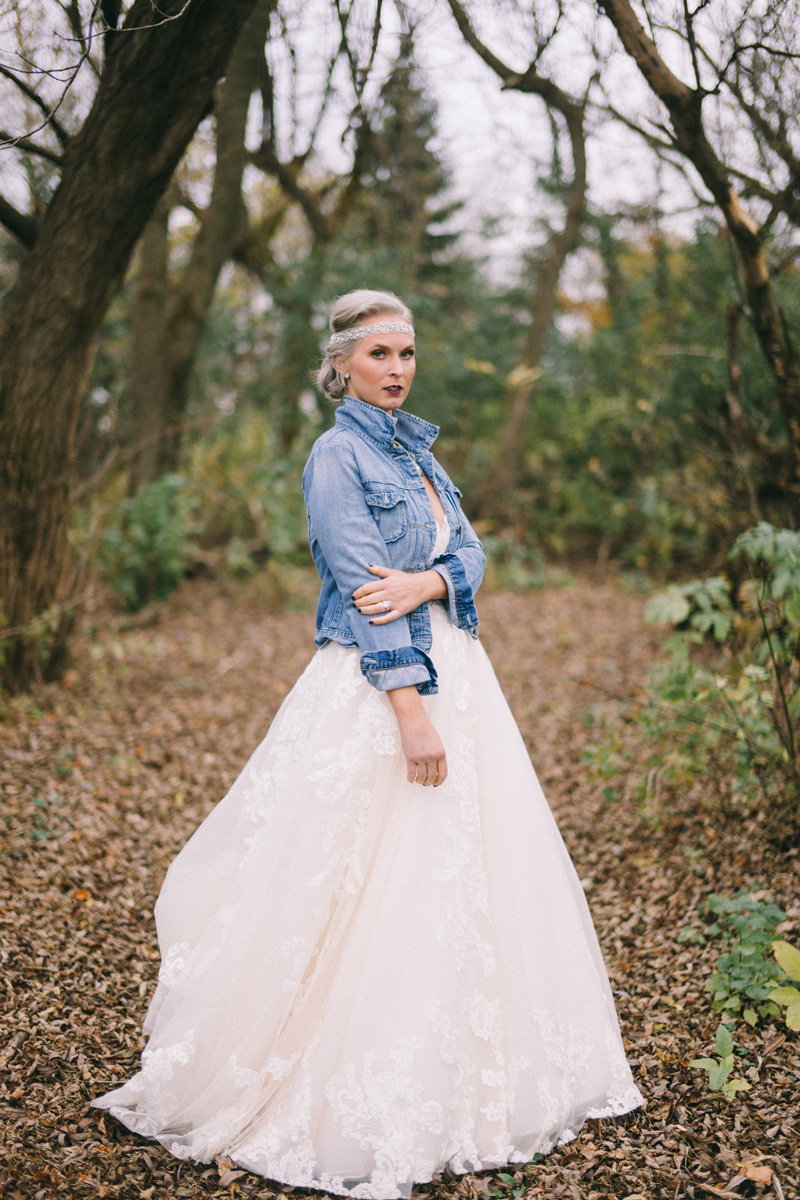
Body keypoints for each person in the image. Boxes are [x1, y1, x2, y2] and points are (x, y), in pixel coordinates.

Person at [93, 288, 643, 1197]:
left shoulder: (420, 454)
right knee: (363, 879)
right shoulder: (336, 456)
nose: (396, 370)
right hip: (392, 689)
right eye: (380, 355)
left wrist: (431, 579)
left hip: (465, 682)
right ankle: (342, 1069)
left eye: (407, 355)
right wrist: (411, 711)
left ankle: (477, 1072)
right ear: (342, 362)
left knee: (470, 874)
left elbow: (471, 557)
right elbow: (358, 589)